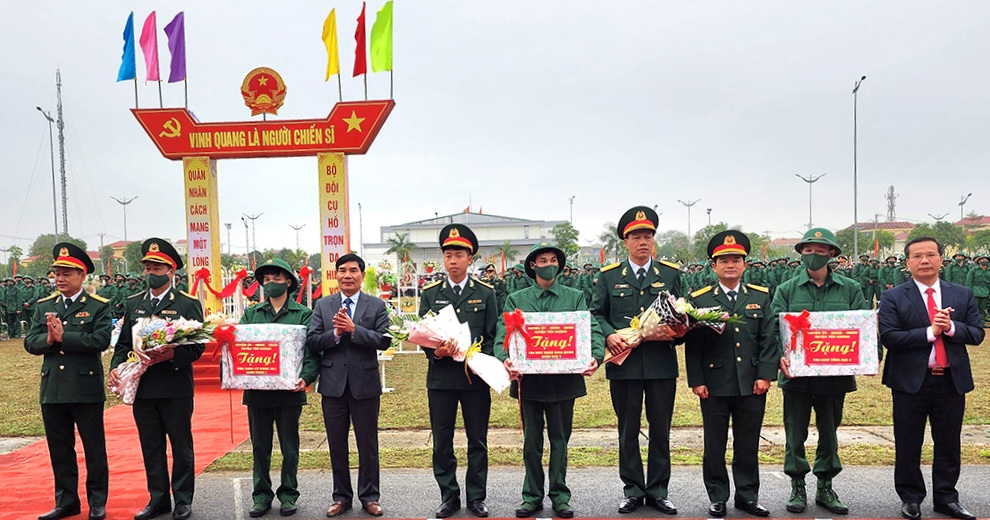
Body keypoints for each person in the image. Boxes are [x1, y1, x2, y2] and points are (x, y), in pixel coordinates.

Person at [495, 242, 605, 519]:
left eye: (553, 259)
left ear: (560, 264)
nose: (548, 264)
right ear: (532, 266)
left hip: (563, 383)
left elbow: (590, 329)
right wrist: (504, 357)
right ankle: (531, 496)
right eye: (542, 260)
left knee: (560, 442)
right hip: (529, 383)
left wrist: (595, 355)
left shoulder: (575, 297)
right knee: (532, 443)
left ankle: (559, 495)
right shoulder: (516, 299)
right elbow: (502, 334)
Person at [878, 237, 984, 520]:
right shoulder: (893, 297)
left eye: (930, 255)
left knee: (948, 442)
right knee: (908, 442)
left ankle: (947, 498)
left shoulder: (961, 294)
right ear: (908, 262)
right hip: (911, 382)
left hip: (950, 381)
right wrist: (930, 332)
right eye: (917, 256)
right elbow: (890, 337)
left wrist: (950, 328)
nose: (924, 261)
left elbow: (977, 334)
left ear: (940, 258)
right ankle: (911, 498)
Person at [590, 206, 682, 515]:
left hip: (660, 364)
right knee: (627, 430)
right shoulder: (609, 276)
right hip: (624, 363)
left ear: (653, 241)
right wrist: (608, 335)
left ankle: (657, 490)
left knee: (660, 429)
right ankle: (632, 489)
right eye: (636, 236)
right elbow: (596, 313)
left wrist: (674, 331)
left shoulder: (670, 274)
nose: (643, 241)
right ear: (625, 242)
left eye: (648, 236)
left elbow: (683, 318)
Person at [107, 239, 205, 520]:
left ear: (171, 270)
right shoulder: (133, 303)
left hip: (175, 386)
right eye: (148, 267)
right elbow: (124, 343)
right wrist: (116, 366)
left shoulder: (186, 304)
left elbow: (197, 346)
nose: (151, 272)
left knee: (181, 444)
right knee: (151, 446)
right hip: (144, 387)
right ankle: (158, 499)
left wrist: (173, 355)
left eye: (158, 267)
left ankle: (183, 499)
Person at [773, 228, 868, 515]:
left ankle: (825, 485)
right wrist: (780, 357)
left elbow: (863, 329)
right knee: (794, 433)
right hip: (796, 377)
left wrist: (867, 359)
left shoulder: (850, 289)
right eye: (808, 250)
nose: (813, 255)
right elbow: (775, 332)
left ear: (832, 254)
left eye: (819, 250)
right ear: (801, 254)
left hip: (834, 377)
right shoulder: (786, 290)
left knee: (829, 432)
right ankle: (797, 484)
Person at [685, 231, 778, 518]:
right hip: (714, 383)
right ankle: (717, 496)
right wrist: (697, 380)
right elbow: (693, 344)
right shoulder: (700, 299)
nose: (730, 265)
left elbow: (768, 339)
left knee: (748, 442)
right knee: (714, 444)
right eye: (723, 260)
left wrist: (765, 375)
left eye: (736, 260)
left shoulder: (759, 297)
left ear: (744, 264)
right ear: (713, 266)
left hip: (752, 382)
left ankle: (748, 496)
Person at [24, 243, 111, 520]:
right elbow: (30, 342)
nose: (60, 279)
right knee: (60, 449)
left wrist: (65, 337)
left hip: (85, 388)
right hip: (54, 389)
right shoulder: (45, 306)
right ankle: (66, 501)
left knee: (94, 448)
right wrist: (49, 339)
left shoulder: (97, 307)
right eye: (57, 273)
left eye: (67, 274)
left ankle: (97, 502)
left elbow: (100, 340)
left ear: (82, 275)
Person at [418, 225, 498, 518]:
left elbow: (492, 335)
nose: (453, 260)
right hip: (440, 379)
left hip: (475, 378)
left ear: (470, 258)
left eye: (459, 255)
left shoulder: (486, 294)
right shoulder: (430, 294)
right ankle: (448, 496)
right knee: (442, 440)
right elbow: (422, 335)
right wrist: (435, 352)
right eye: (448, 255)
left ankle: (477, 496)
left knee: (477, 439)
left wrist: (478, 356)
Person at [306, 253, 390, 518]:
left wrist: (354, 329)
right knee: (336, 444)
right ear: (336, 275)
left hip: (365, 384)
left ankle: (370, 496)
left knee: (368, 444)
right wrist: (336, 334)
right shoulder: (323, 305)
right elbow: (313, 341)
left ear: (362, 275)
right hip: (333, 386)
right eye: (342, 270)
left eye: (353, 270)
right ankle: (341, 497)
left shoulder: (376, 305)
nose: (347, 275)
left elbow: (385, 339)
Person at [238, 259, 320, 518]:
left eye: (276, 277)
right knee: (260, 447)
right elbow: (240, 348)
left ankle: (288, 494)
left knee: (289, 447)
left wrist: (306, 378)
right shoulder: (251, 313)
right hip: (257, 393)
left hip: (289, 393)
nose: (271, 282)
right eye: (266, 278)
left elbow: (311, 352)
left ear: (289, 282)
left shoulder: (303, 314)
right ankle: (261, 495)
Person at [964, 255, 989, 325]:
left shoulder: (989, 271)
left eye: (986, 259)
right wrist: (969, 292)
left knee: (983, 309)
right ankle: (973, 322)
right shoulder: (973, 270)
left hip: (986, 292)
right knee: (974, 308)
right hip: (975, 292)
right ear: (979, 261)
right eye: (982, 259)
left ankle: (982, 322)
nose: (984, 261)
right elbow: (969, 281)